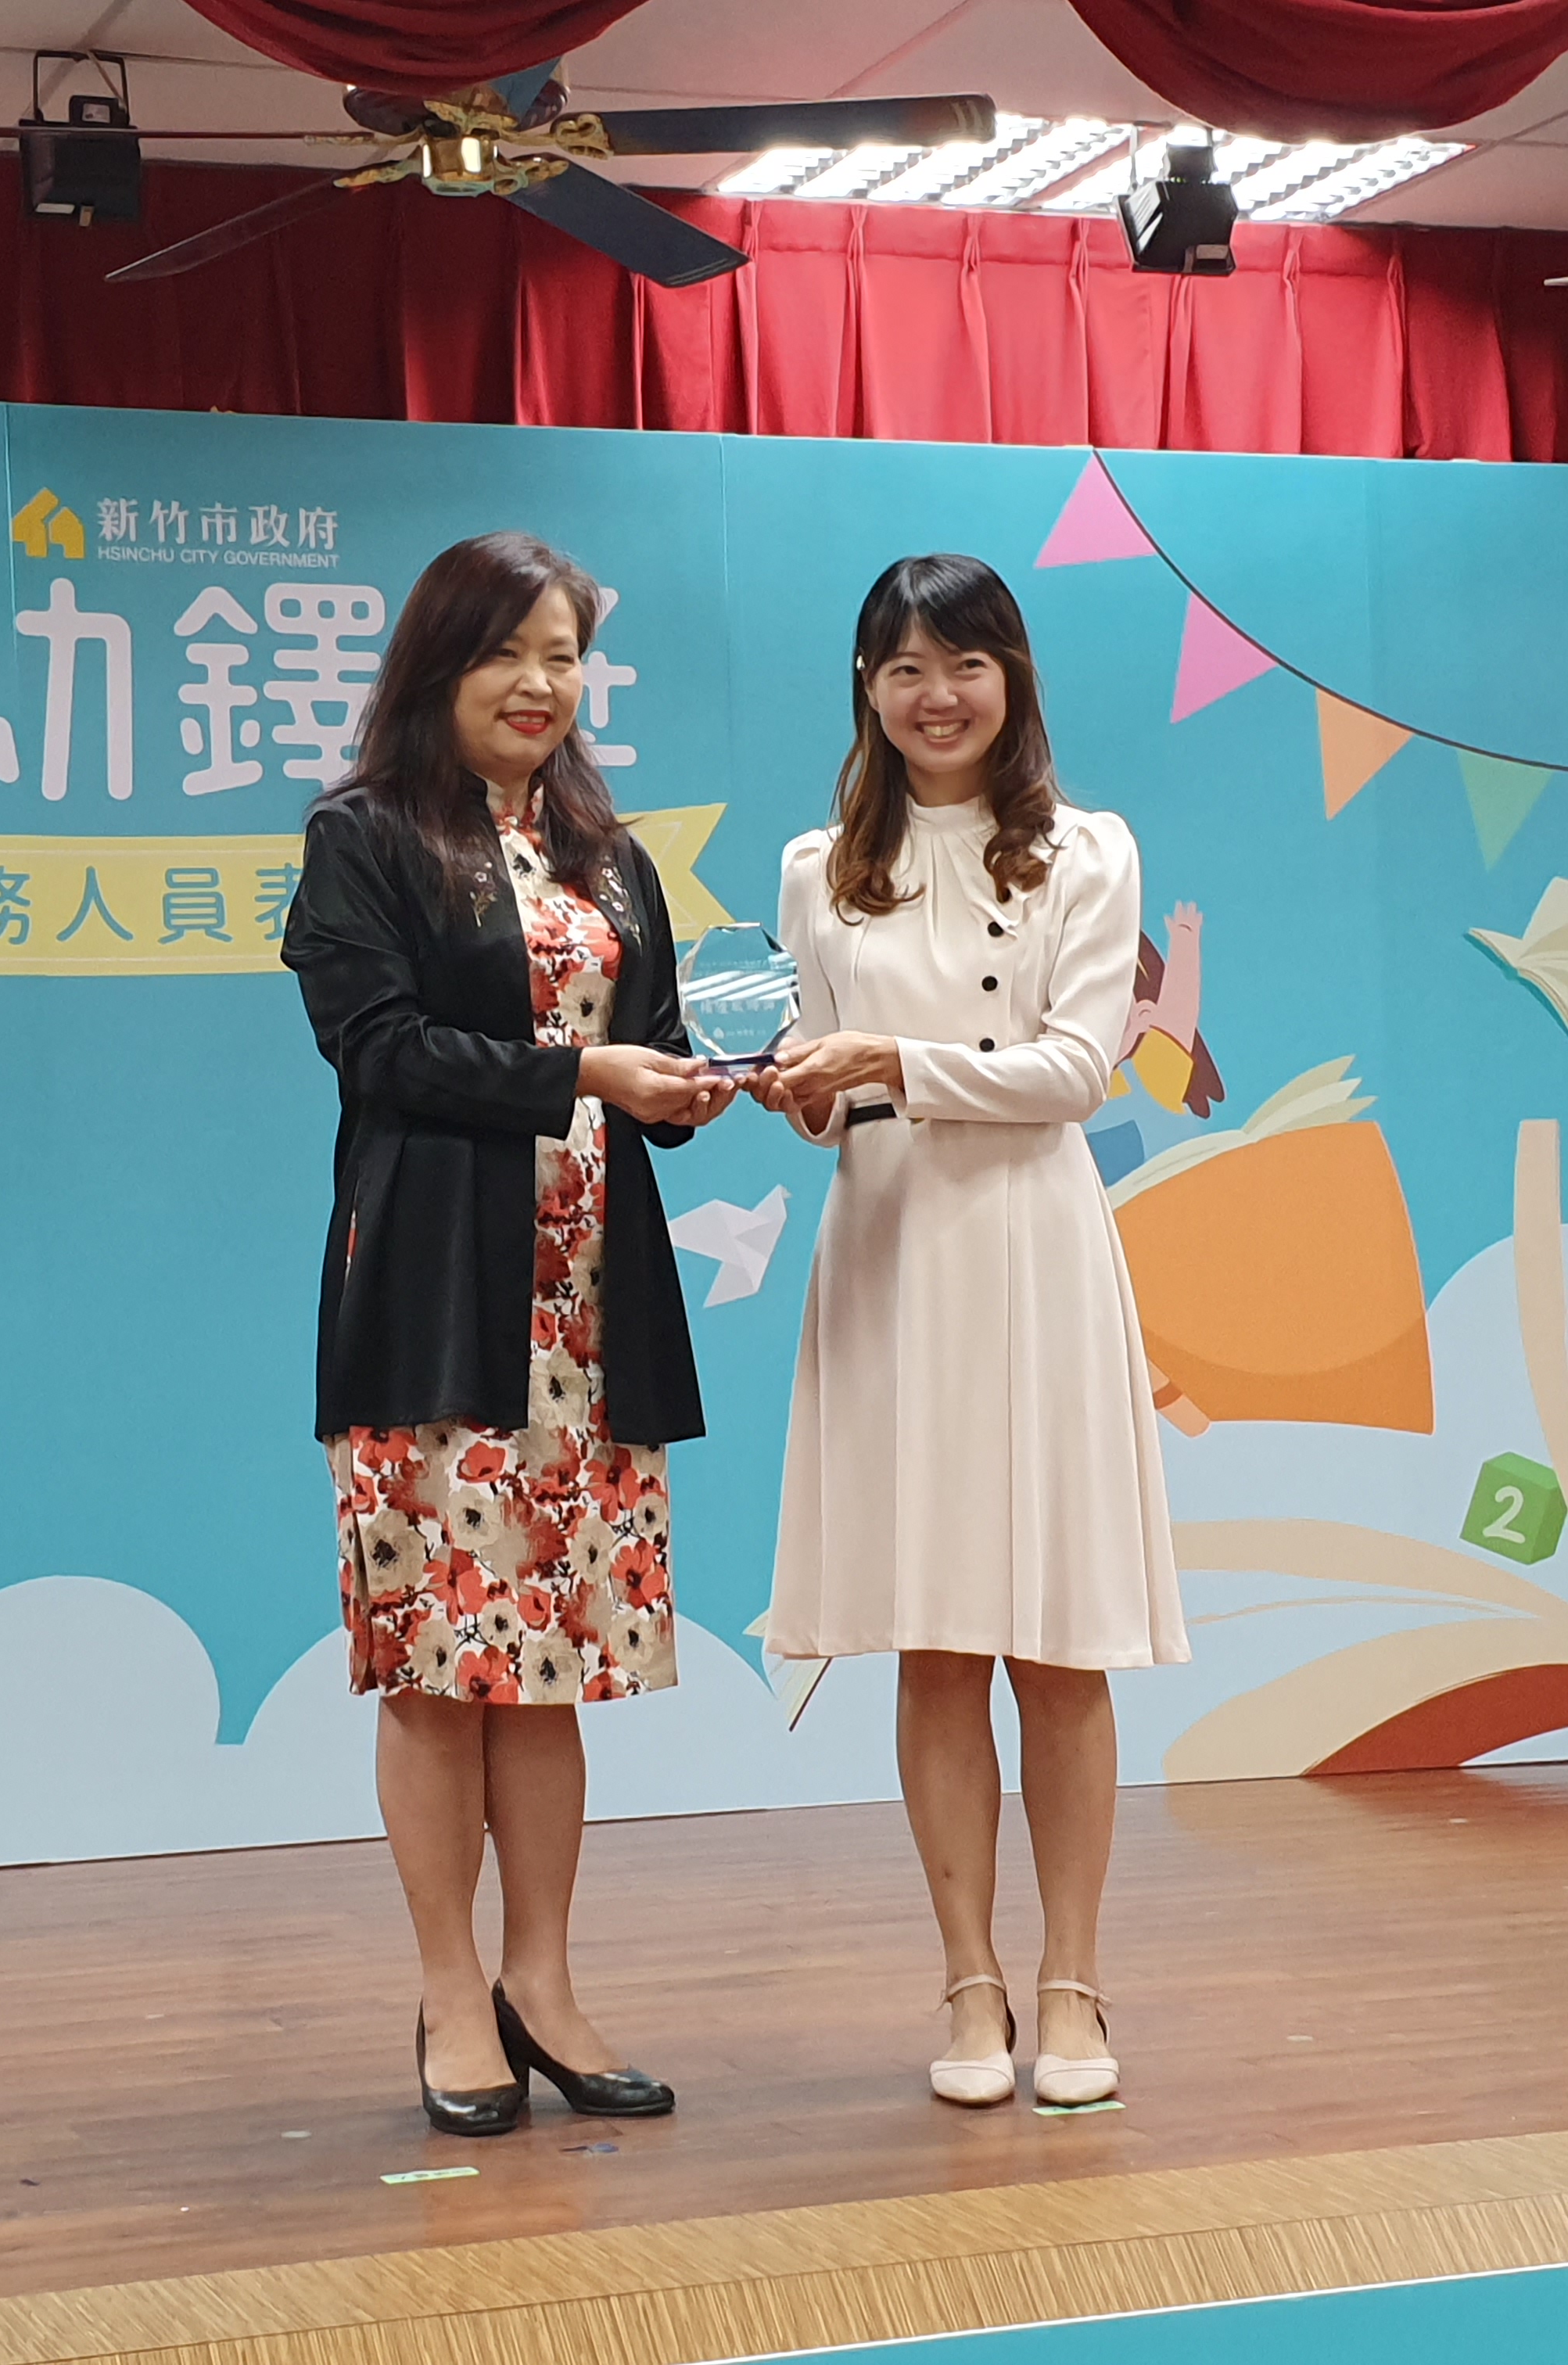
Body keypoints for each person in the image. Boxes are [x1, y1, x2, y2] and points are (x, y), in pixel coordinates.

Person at [282, 531, 735, 2137]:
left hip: (589, 1315)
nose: (542, 685)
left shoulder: (612, 856)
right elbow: (383, 1053)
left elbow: (650, 1048)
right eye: (509, 653)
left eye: (564, 656)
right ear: (439, 663)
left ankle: (544, 1983)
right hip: (434, 1304)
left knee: (550, 1669)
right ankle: (451, 1990)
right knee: (438, 1666)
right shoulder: (362, 837)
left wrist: (688, 1089)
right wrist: (583, 1076)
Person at [751, 552, 1188, 2110]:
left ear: (1014, 679)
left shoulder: (1086, 850)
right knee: (935, 1641)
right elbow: (821, 1061)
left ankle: (1073, 1981)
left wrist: (889, 1061)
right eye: (904, 669)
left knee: (1059, 1642)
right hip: (888, 1248)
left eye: (965, 665)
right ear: (867, 691)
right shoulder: (818, 868)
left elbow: (1074, 1071)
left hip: (1030, 1245)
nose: (937, 697)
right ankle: (969, 1980)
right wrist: (802, 1089)